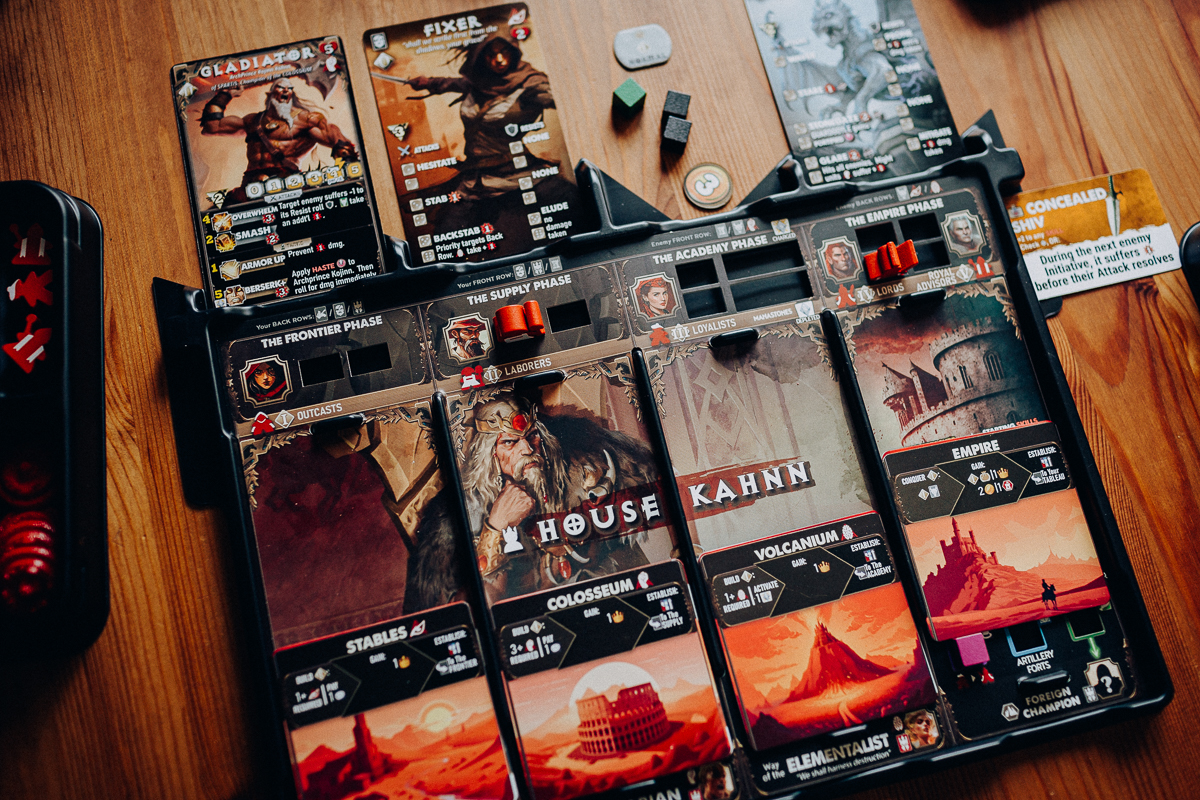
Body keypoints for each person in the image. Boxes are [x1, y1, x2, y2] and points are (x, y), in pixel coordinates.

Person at [459, 393, 657, 600]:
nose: (527, 449)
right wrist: (496, 526)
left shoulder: (579, 471)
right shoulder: (475, 504)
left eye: (532, 436)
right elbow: (490, 599)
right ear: (490, 453)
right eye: (510, 442)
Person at [403, 29, 577, 238]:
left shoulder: (529, 84)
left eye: (504, 51)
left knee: (575, 209)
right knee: (447, 234)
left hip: (521, 174)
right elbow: (446, 83)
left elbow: (558, 97)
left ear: (513, 51)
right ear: (481, 57)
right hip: (477, 182)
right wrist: (427, 82)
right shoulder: (477, 84)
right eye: (491, 54)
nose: (499, 59)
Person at [200, 78, 359, 202]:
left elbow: (339, 142)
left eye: (289, 88)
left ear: (292, 94)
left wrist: (347, 176)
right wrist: (225, 95)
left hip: (288, 186)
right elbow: (212, 126)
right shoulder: (252, 121)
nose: (285, 90)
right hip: (251, 187)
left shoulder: (306, 120)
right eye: (280, 87)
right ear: (270, 94)